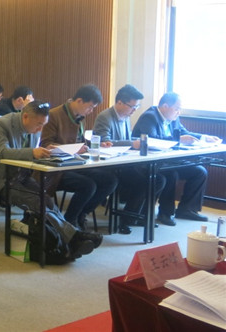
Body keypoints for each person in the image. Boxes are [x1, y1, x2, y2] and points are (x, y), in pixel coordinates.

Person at [0, 101, 101, 260]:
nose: (40, 129)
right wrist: (33, 152)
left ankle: (72, 237)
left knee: (47, 200)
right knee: (37, 202)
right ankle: (74, 237)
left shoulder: (35, 127)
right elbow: (3, 152)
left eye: (43, 125)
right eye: (38, 124)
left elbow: (31, 152)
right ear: (25, 117)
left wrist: (48, 151)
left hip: (20, 176)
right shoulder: (1, 125)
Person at [133, 92, 220, 225]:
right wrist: (178, 139)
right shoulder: (150, 116)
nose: (179, 112)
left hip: (168, 160)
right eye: (177, 108)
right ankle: (166, 213)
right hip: (148, 163)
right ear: (165, 106)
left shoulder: (173, 118)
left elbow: (184, 133)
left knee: (199, 171)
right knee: (171, 173)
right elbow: (152, 140)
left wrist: (204, 137)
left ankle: (187, 209)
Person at [40, 84, 118, 230]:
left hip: (76, 164)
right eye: (90, 107)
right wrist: (74, 149)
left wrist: (97, 145)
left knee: (110, 180)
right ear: (79, 101)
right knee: (88, 185)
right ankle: (69, 222)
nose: (91, 111)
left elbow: (80, 141)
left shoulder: (80, 118)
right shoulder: (54, 115)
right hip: (57, 168)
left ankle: (81, 213)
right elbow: (46, 145)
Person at [93, 84, 166, 234]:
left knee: (159, 179)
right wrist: (132, 143)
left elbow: (126, 140)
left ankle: (139, 215)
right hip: (110, 166)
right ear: (120, 102)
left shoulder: (126, 116)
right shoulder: (105, 117)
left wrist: (139, 143)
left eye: (137, 107)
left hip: (125, 163)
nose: (134, 110)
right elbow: (105, 143)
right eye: (132, 106)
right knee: (144, 181)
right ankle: (126, 219)